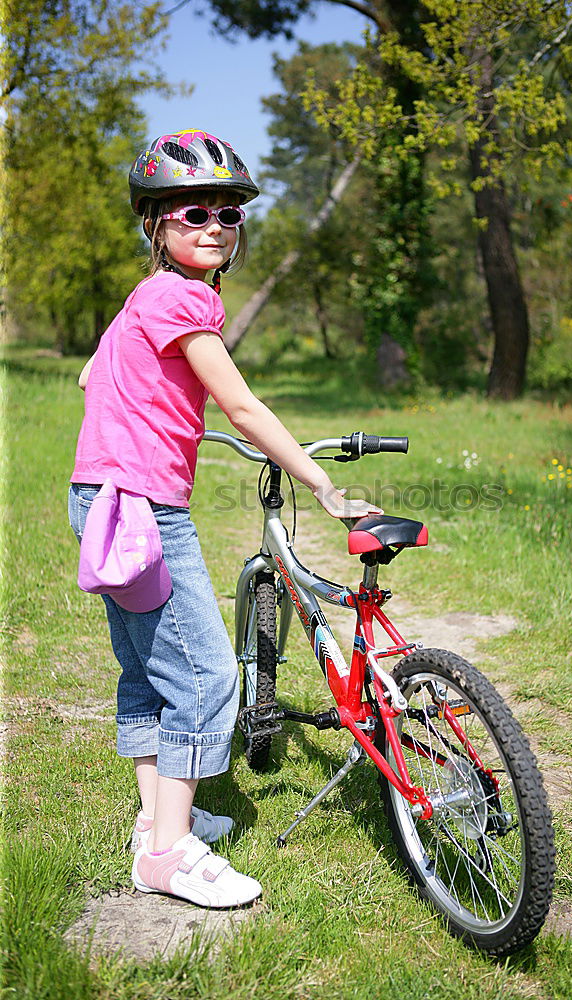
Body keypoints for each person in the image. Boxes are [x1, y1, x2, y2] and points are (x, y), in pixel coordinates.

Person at [68, 129, 381, 908]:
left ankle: (153, 823)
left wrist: (154, 417)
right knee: (205, 672)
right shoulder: (181, 295)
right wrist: (322, 487)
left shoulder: (143, 299)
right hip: (140, 508)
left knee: (146, 670)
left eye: (227, 215)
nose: (212, 225)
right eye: (191, 212)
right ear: (155, 224)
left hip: (100, 499)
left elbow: (88, 376)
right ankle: (169, 856)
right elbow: (239, 405)